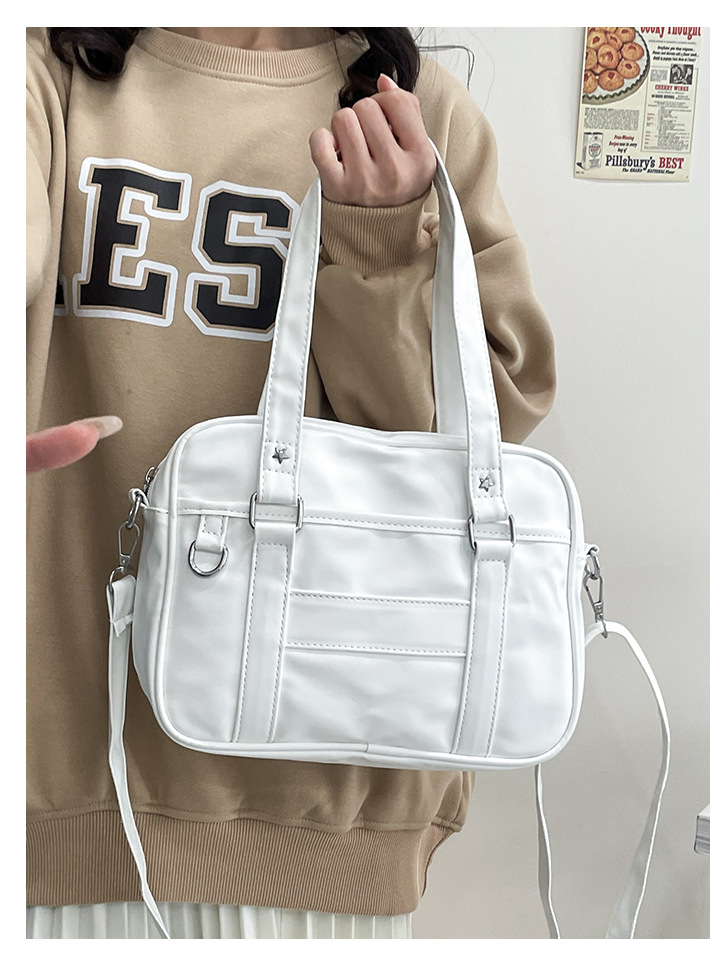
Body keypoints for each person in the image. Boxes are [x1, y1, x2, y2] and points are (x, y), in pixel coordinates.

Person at [26, 27, 556, 939]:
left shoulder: (417, 113)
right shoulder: (48, 73)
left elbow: (477, 449)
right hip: (53, 801)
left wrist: (383, 251)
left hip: (331, 827)